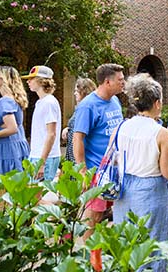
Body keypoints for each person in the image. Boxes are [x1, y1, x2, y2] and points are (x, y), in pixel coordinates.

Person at [112, 73, 168, 272]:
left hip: (124, 190)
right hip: (150, 191)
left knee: (126, 244)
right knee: (154, 246)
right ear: (157, 103)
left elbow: (113, 156)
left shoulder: (122, 126)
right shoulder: (160, 132)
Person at [73, 63, 125, 238]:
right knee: (93, 216)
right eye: (120, 79)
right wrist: (83, 170)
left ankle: (98, 255)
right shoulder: (88, 106)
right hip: (97, 170)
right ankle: (87, 257)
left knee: (106, 215)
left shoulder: (115, 101)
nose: (123, 82)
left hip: (114, 169)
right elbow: (77, 138)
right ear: (107, 82)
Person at [23, 66, 61, 181]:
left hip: (45, 158)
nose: (28, 81)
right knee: (32, 196)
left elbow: (51, 134)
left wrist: (42, 163)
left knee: (37, 197)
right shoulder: (41, 102)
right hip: (36, 155)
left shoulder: (49, 102)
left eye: (32, 79)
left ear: (41, 81)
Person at [62, 78, 97, 163]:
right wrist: (68, 129)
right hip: (71, 151)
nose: (74, 94)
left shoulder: (87, 108)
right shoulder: (80, 107)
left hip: (79, 155)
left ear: (84, 91)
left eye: (77, 91)